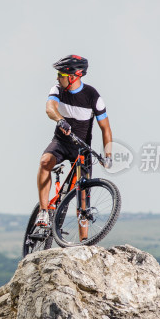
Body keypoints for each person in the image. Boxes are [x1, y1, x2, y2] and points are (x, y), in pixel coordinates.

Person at [36, 55, 113, 239]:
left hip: (82, 149)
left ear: (73, 76)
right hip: (61, 143)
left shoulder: (92, 96)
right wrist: (60, 120)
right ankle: (44, 211)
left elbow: (106, 128)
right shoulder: (57, 89)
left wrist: (108, 155)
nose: (57, 78)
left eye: (61, 74)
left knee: (83, 199)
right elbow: (50, 108)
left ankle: (84, 242)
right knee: (45, 161)